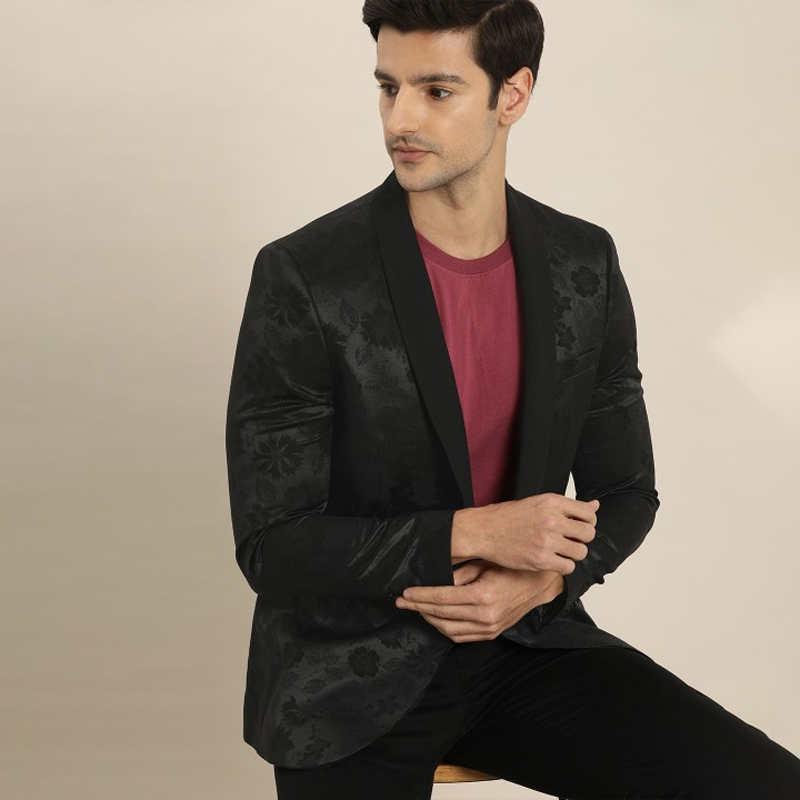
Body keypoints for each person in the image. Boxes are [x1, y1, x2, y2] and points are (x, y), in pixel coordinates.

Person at [225, 1, 800, 797]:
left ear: (513, 94)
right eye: (388, 87)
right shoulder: (307, 274)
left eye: (436, 90)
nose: (400, 119)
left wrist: (546, 582)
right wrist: (474, 533)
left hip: (527, 647)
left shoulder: (582, 263)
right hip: (348, 676)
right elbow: (272, 543)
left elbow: (627, 491)